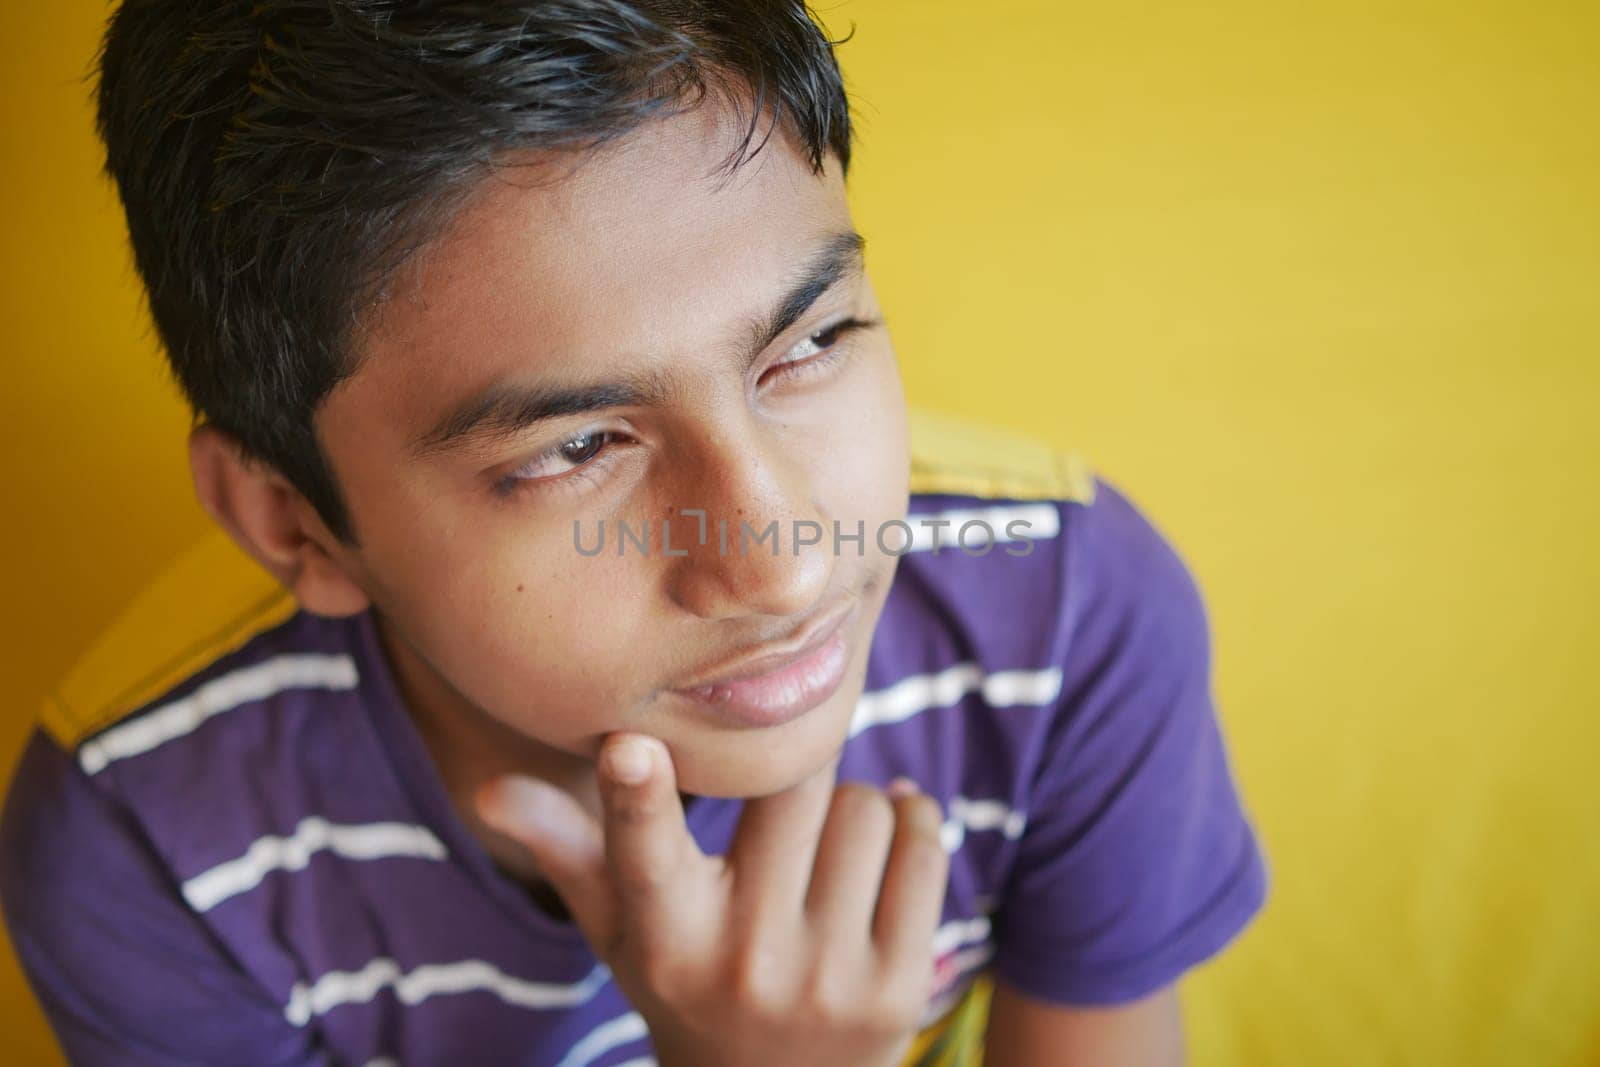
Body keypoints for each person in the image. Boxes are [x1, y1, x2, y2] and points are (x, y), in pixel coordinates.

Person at [0, 2, 1268, 1063]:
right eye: (573, 448)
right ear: (296, 527)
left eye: (811, 342)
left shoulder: (1065, 614)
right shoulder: (150, 849)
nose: (786, 561)